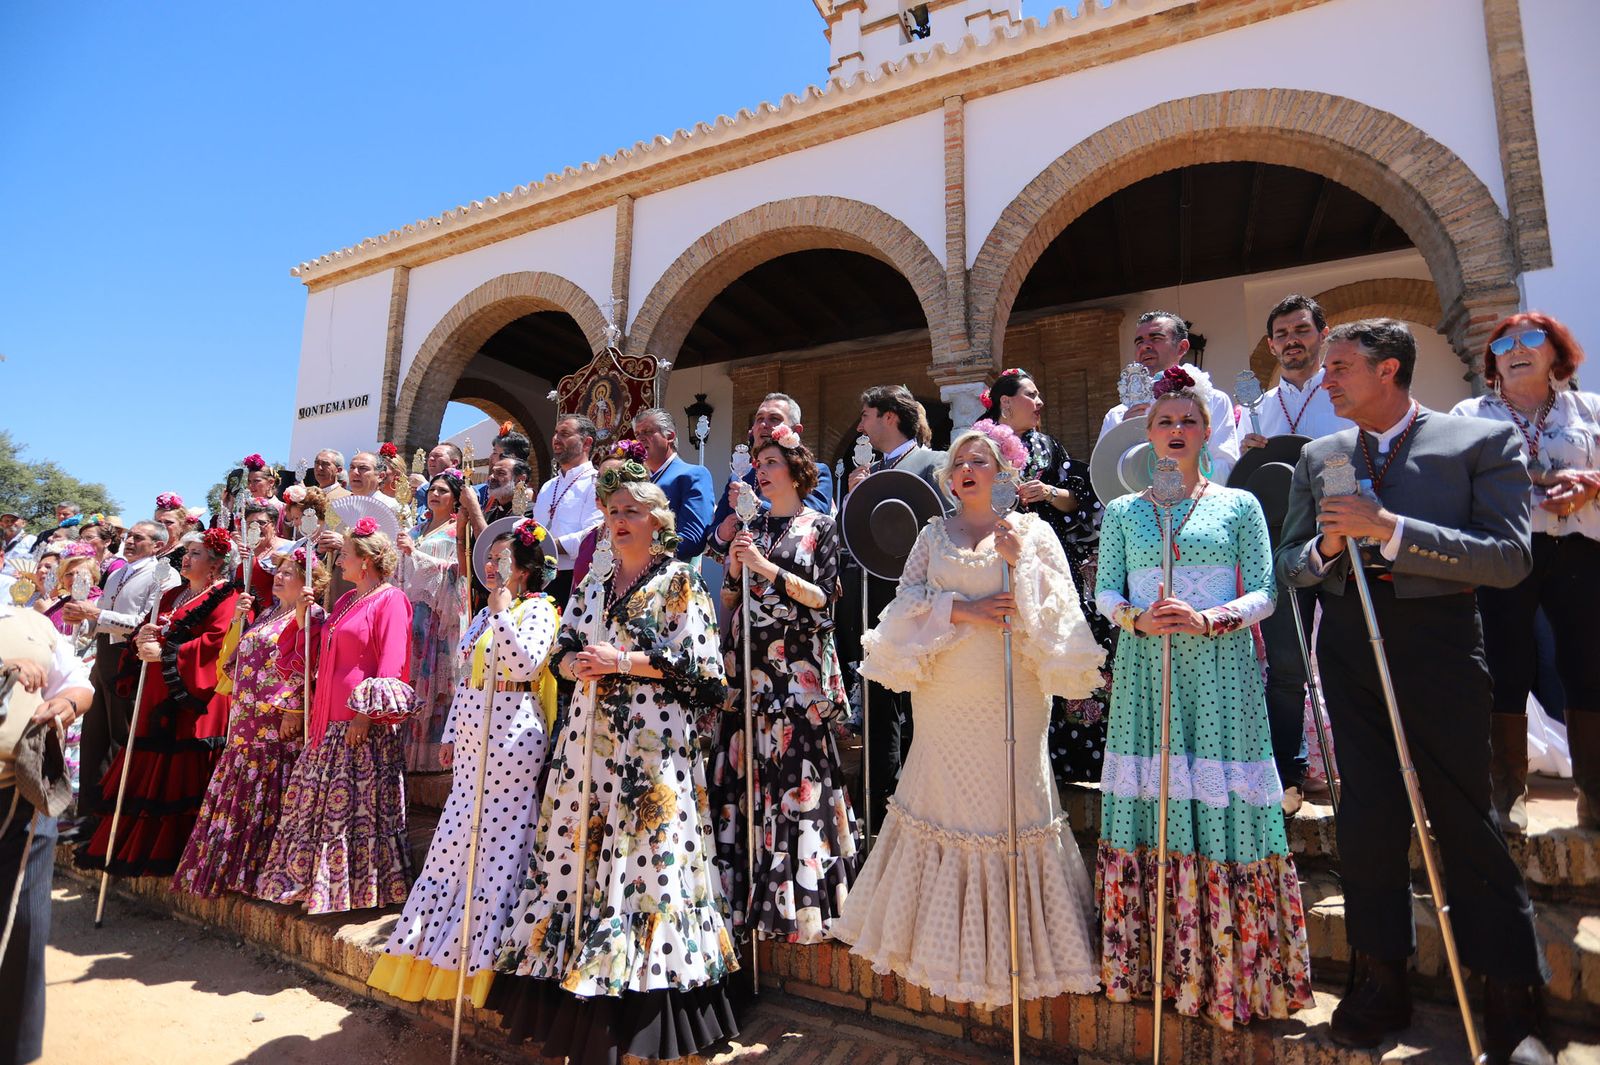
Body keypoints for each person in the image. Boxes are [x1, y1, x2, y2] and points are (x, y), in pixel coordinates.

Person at [1276, 319, 1549, 1058]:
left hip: (1441, 647)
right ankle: (1379, 977)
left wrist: (1390, 528)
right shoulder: (1320, 454)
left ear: (1388, 369)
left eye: (1340, 368)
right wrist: (1329, 545)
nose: (1324, 380)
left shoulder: (1477, 443)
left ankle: (1509, 998)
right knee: (1367, 819)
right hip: (1350, 649)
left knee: (1466, 816)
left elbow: (1508, 558)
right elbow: (1292, 563)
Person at [833, 420, 1105, 1008]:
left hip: (1014, 689)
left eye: (980, 461)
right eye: (959, 462)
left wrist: (1021, 565)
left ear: (1003, 471)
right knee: (943, 796)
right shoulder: (933, 533)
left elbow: (1062, 607)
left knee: (1015, 795)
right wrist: (965, 609)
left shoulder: (1030, 532)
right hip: (948, 691)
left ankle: (1021, 951)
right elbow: (905, 601)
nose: (967, 469)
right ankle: (935, 944)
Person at [489, 470, 738, 1065]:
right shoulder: (593, 583)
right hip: (588, 746)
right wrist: (573, 664)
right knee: (579, 860)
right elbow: (561, 649)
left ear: (657, 521)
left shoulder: (680, 582)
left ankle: (651, 1021)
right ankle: (580, 1006)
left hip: (651, 749)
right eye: (611, 510)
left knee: (648, 865)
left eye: (630, 509)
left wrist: (625, 660)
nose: (618, 519)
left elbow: (705, 674)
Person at [1093, 367, 1312, 1028]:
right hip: (1146, 673)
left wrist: (1212, 617)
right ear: (1146, 434)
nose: (1177, 430)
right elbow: (1105, 591)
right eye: (1165, 421)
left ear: (1207, 432)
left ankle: (1231, 972)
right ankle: (1153, 964)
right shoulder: (1124, 512)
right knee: (1153, 803)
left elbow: (1267, 591)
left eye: (1189, 421)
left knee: (1222, 799)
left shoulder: (1239, 505)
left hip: (1220, 673)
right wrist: (1135, 614)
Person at [369, 518, 559, 1009]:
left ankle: (486, 949)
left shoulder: (538, 611)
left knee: (499, 835)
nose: (492, 565)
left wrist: (500, 613)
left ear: (524, 568)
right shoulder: (478, 616)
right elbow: (464, 675)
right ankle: (435, 940)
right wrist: (452, 732)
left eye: (502, 558)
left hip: (513, 731)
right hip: (473, 731)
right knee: (457, 834)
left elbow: (524, 665)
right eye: (489, 558)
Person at [1450, 312, 1600, 832]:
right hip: (1505, 549)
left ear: (1555, 352)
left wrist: (1592, 486)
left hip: (1581, 548)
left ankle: (1596, 800)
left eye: (1531, 338)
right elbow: (1460, 472)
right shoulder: (1470, 412)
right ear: (1492, 360)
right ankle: (1507, 800)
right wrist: (1546, 476)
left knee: (1589, 666)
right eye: (1504, 343)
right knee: (1504, 667)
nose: (1516, 348)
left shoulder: (1589, 409)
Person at [711, 425, 860, 944]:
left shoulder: (820, 524)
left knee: (798, 781)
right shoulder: (750, 527)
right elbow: (731, 603)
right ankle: (747, 897)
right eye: (758, 463)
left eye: (771, 461)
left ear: (795, 470)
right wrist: (734, 569)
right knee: (748, 778)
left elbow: (823, 597)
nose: (761, 470)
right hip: (750, 671)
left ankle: (802, 904)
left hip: (796, 671)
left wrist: (764, 568)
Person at [255, 519, 415, 913]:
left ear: (367, 561)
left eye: (345, 553)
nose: (339, 559)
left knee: (352, 811)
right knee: (316, 806)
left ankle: (355, 890)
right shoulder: (344, 602)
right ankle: (311, 884)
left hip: (360, 723)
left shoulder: (392, 599)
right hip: (326, 719)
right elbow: (313, 653)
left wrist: (366, 714)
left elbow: (392, 663)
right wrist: (302, 615)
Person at [1242, 294, 1355, 812]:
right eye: (1282, 334)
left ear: (1321, 334)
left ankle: (1358, 769)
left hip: (1348, 538)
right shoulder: (1255, 410)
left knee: (1350, 659)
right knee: (1287, 666)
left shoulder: (1345, 394)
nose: (1292, 341)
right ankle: (1287, 774)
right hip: (1283, 544)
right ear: (1271, 345)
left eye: (1301, 330)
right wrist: (1243, 458)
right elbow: (1236, 485)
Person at [76, 528, 240, 876]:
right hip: (155, 692)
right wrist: (141, 639)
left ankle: (180, 852)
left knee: (183, 774)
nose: (186, 558)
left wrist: (165, 651)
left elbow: (217, 645)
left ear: (215, 564)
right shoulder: (174, 594)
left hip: (193, 701)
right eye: (186, 552)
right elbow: (147, 628)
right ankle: (134, 849)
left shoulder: (226, 597)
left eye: (195, 553)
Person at [172, 546, 326, 897]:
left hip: (278, 722)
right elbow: (234, 662)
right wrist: (239, 623)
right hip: (247, 717)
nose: (279, 577)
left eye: (288, 573)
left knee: (273, 792)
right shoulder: (268, 613)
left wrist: (295, 708)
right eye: (279, 571)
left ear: (307, 580)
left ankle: (264, 871)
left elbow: (310, 664)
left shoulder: (311, 615)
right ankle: (234, 871)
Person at [988, 369, 1115, 786]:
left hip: (1048, 560)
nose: (1040, 402)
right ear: (1006, 402)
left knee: (1062, 640)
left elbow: (1076, 498)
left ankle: (1073, 760)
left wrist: (1048, 493)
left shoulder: (1048, 446)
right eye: (1032, 394)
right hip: (994, 560)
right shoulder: (979, 444)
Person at [839, 384, 944, 827]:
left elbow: (943, 523)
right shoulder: (865, 471)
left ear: (889, 417)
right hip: (873, 597)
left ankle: (923, 800)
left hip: (920, 597)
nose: (860, 426)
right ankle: (881, 799)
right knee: (880, 699)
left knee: (921, 698)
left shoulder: (932, 463)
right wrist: (855, 496)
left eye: (865, 416)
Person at [0, 602, 93, 1065]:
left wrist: (68, 702)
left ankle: (15, 1051)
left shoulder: (34, 623)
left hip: (22, 793)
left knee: (25, 926)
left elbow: (78, 683)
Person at [61, 520, 178, 832]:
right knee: (93, 736)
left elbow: (146, 623)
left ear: (158, 545)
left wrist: (97, 614)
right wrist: (81, 618)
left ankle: (112, 819)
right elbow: (97, 619)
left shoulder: (163, 575)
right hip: (104, 657)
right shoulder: (117, 573)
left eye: (138, 538)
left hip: (132, 662)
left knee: (120, 738)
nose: (129, 542)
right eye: (128, 536)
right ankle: (88, 813)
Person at [1099, 311, 1241, 482]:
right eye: (1139, 342)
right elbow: (1103, 477)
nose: (1145, 346)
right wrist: (1124, 436)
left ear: (1181, 347)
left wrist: (1177, 478)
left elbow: (1226, 467)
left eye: (1155, 338)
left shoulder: (1214, 401)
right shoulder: (1117, 415)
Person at [397, 469, 467, 772]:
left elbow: (459, 572)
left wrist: (419, 556)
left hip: (439, 616)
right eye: (432, 489)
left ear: (455, 499)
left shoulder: (455, 531)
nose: (435, 494)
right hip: (412, 613)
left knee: (436, 680)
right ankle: (404, 756)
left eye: (443, 490)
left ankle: (432, 763)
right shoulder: (416, 529)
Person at [708, 394, 836, 558]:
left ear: (796, 431)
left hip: (791, 573)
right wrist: (722, 533)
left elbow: (812, 523)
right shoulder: (739, 478)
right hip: (742, 576)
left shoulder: (815, 472)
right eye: (759, 418)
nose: (763, 424)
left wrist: (758, 506)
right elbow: (713, 539)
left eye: (774, 419)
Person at [530, 414, 601, 607]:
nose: (556, 439)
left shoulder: (596, 483)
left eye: (564, 433)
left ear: (586, 443)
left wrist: (550, 545)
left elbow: (594, 534)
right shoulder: (548, 486)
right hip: (538, 575)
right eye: (555, 433)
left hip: (573, 577)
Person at [633, 407, 715, 560]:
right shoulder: (636, 481)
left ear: (669, 436)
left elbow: (692, 539)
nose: (640, 438)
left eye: (648, 431)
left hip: (668, 573)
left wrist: (641, 551)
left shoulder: (692, 475)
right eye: (637, 434)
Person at [77, 515, 126, 586]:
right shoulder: (84, 563)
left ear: (106, 542)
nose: (82, 542)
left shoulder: (117, 565)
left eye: (89, 537)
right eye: (81, 538)